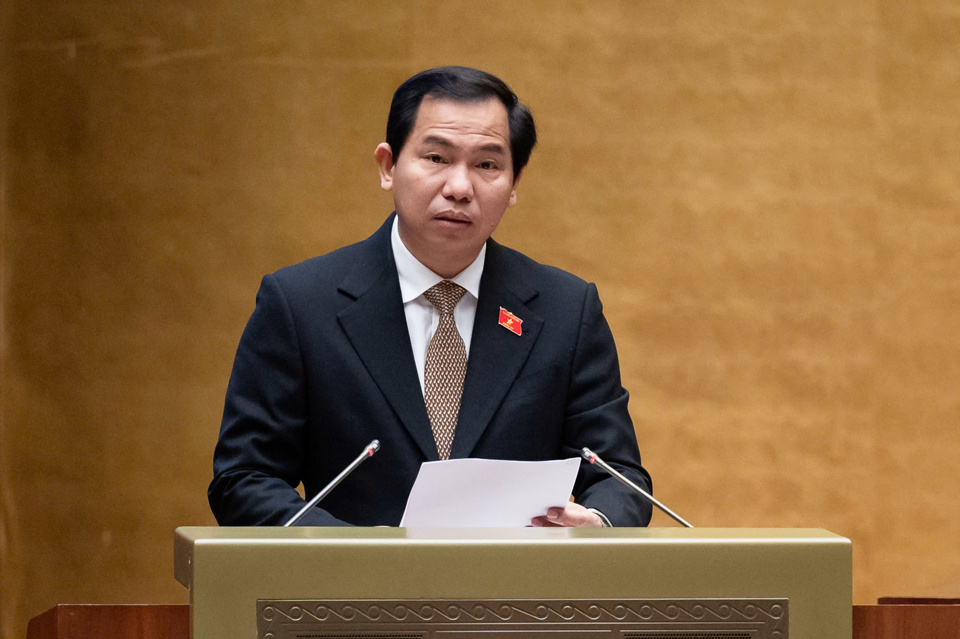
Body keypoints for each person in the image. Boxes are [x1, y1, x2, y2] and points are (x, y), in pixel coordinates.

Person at [208, 66, 652, 527]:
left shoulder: (566, 309)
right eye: (437, 158)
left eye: (487, 165)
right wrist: (355, 555)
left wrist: (599, 523)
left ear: (514, 182)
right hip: (353, 594)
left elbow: (618, 475)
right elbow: (244, 478)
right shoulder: (301, 304)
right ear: (388, 166)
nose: (459, 188)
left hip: (518, 595)